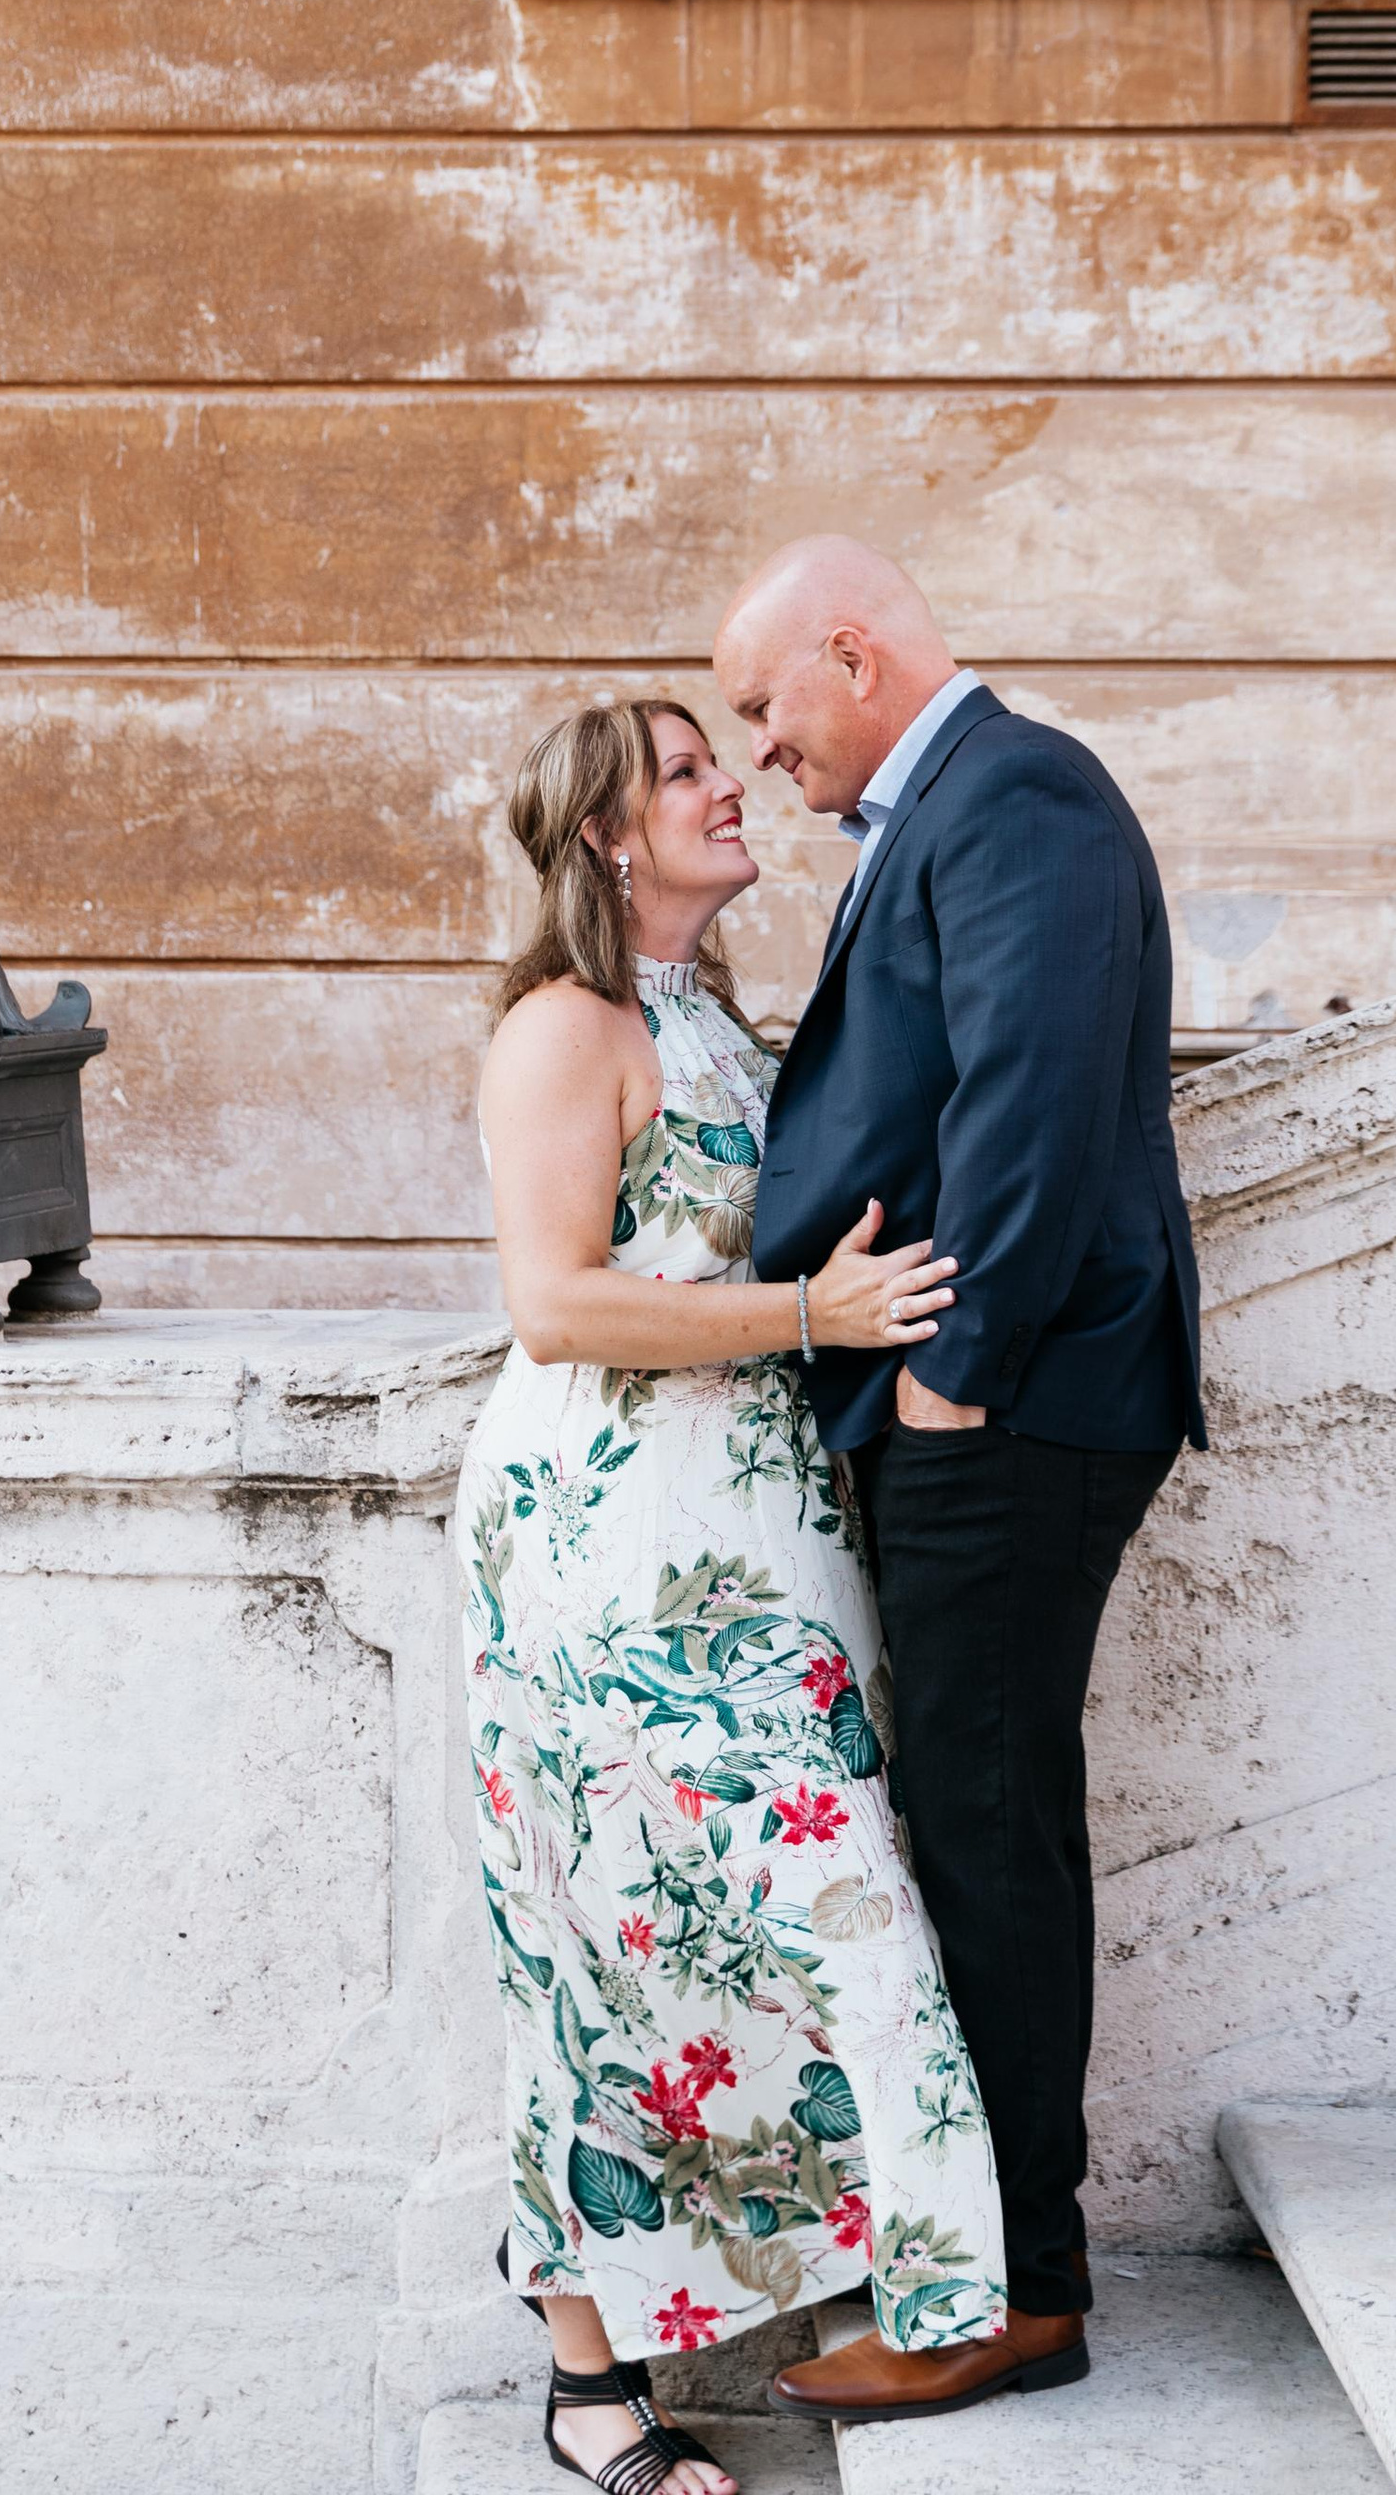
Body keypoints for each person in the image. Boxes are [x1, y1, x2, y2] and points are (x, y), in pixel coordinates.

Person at [462, 697, 1011, 2491]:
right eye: (688, 773)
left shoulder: (706, 1016)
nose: (731, 787)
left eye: (724, 756)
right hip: (609, 1552)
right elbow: (555, 1304)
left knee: (784, 1911)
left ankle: (895, 2294)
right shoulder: (565, 1026)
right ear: (611, 837)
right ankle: (588, 2378)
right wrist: (813, 1316)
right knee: (604, 1942)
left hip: (767, 1542)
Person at [710, 540, 1205, 2432]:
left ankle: (1020, 2287)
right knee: (973, 1811)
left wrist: (953, 1377)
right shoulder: (963, 810)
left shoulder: (1022, 795)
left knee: (987, 1824)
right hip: (983, 1406)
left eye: (770, 707)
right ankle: (983, 2255)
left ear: (854, 652)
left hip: (1017, 1410)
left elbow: (1038, 1098)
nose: (762, 751)